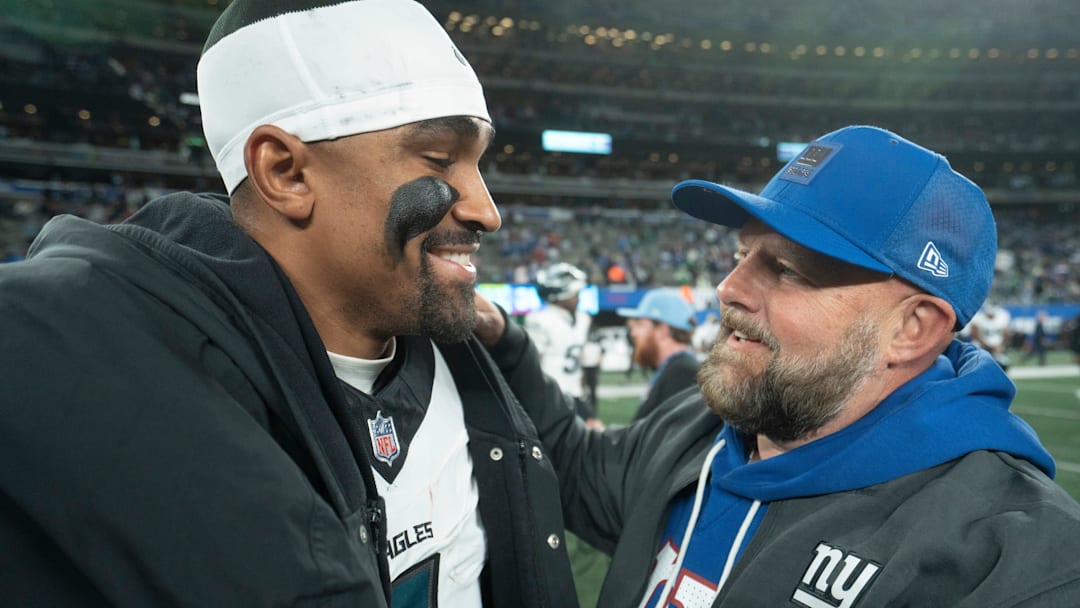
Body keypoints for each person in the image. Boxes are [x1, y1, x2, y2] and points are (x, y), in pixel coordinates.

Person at [0, 1, 576, 606]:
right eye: (439, 159)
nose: (489, 211)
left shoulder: (461, 356)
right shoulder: (103, 389)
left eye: (478, 163)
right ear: (285, 172)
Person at [474, 126, 1080, 606]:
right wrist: (502, 340)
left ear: (911, 328)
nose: (726, 288)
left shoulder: (1012, 560)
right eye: (741, 255)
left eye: (786, 269)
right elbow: (574, 468)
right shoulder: (703, 428)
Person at [527, 261, 603, 428]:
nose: (578, 296)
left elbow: (583, 365)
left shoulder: (582, 318)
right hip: (550, 396)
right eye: (574, 292)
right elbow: (531, 363)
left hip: (575, 395)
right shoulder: (541, 319)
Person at [616, 289, 701, 422]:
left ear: (662, 330)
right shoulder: (674, 367)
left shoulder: (682, 372)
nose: (633, 333)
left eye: (640, 325)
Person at [968, 300, 1013, 370]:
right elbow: (975, 335)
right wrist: (989, 346)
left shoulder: (1003, 315)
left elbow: (1006, 333)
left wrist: (1001, 345)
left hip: (997, 346)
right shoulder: (978, 317)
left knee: (1004, 364)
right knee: (976, 363)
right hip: (981, 346)